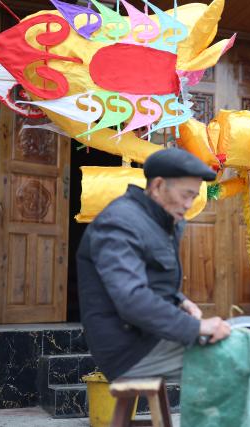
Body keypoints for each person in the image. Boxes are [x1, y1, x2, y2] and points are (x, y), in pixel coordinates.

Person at [77, 147, 231, 382]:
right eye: (186, 195)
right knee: (236, 358)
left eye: (195, 196)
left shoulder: (163, 221)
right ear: (158, 186)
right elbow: (131, 298)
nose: (190, 204)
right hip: (129, 350)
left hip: (154, 337)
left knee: (241, 344)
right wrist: (195, 328)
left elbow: (152, 281)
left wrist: (180, 301)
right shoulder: (119, 222)